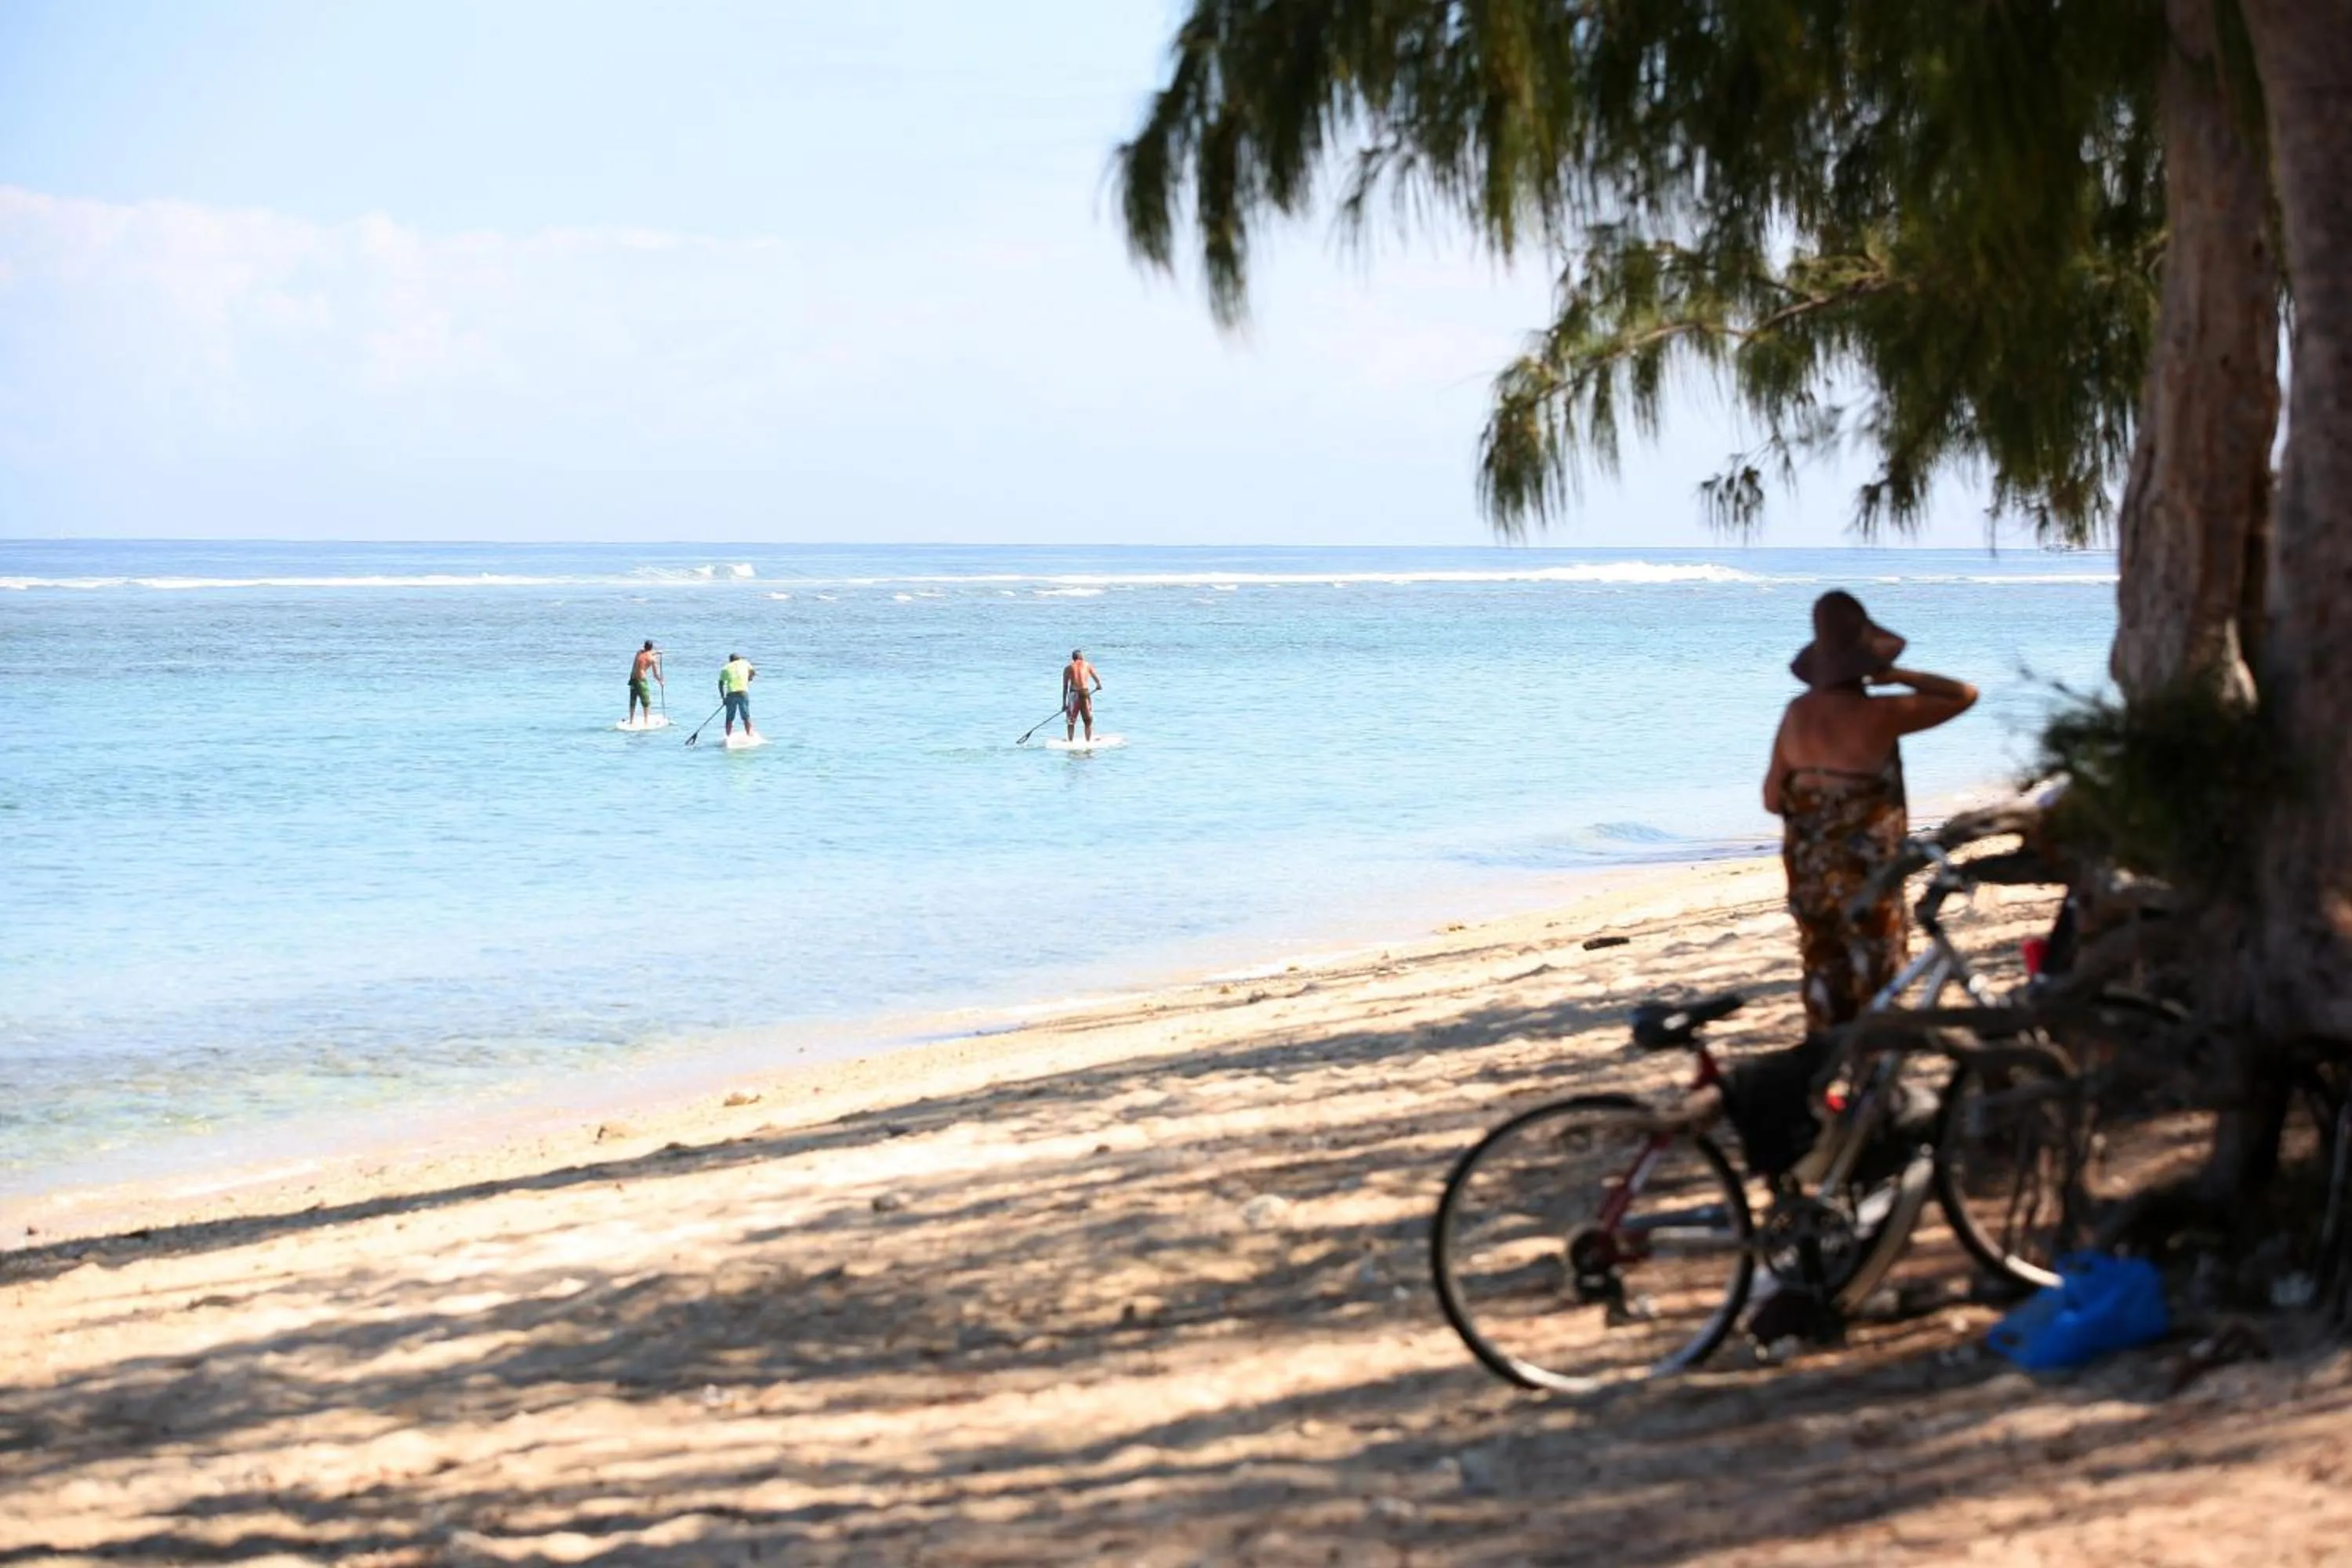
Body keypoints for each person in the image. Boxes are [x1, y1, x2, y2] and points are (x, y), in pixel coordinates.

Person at [1062, 648, 1102, 742]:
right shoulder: (1087, 665)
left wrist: (1064, 704)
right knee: (1088, 721)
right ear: (1081, 657)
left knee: (1071, 721)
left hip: (1073, 694)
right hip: (1084, 693)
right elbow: (1096, 679)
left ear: (1073, 658)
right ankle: (1088, 741)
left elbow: (1065, 687)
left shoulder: (1068, 668)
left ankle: (1070, 741)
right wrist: (1098, 685)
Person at [718, 652, 757, 739]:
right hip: (742, 692)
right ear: (739, 659)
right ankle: (750, 735)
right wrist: (749, 678)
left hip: (731, 694)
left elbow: (720, 683)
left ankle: (728, 737)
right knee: (746, 716)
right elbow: (753, 672)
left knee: (729, 717)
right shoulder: (745, 663)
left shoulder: (725, 668)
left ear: (730, 661)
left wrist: (723, 697)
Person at [627, 640, 664, 724]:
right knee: (646, 702)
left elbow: (646, 651)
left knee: (633, 700)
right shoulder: (652, 659)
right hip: (641, 681)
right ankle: (646, 722)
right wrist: (661, 681)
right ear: (651, 648)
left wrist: (657, 652)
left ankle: (631, 721)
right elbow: (655, 674)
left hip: (633, 680)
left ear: (644, 647)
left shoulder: (638, 653)